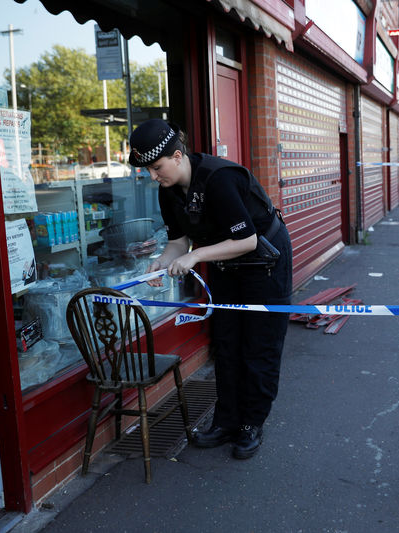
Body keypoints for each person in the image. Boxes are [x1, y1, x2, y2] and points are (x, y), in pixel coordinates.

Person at [128, 119, 292, 460]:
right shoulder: (167, 190)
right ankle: (227, 420)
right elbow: (178, 241)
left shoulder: (220, 178)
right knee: (227, 342)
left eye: (157, 168)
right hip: (226, 263)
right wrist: (161, 262)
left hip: (264, 261)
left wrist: (197, 255)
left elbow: (246, 239)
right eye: (148, 171)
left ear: (177, 155)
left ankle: (251, 424)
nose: (153, 177)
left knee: (259, 347)